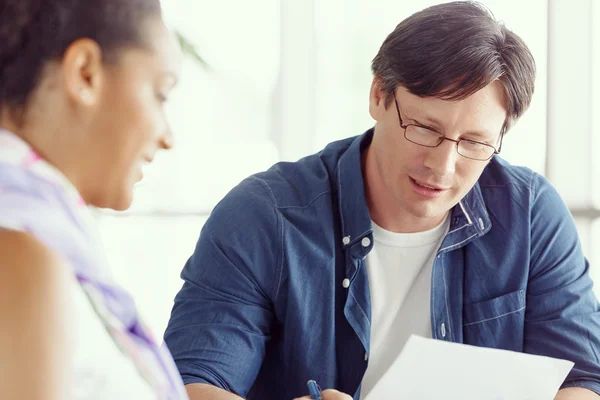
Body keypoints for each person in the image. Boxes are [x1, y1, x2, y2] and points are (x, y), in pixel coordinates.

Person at [164, 1, 600, 400]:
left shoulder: (530, 213)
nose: (443, 167)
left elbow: (582, 377)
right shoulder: (264, 216)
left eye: (474, 142)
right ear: (378, 94)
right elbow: (191, 382)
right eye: (425, 128)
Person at [0, 0, 189, 398]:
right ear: (84, 73)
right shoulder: (21, 259)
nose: (168, 137)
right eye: (161, 93)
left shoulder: (40, 243)